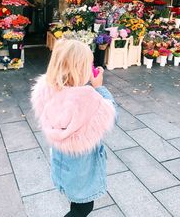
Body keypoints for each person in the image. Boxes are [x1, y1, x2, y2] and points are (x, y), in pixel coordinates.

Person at [31, 39, 116, 217]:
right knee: (83, 208)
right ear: (81, 68)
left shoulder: (47, 90)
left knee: (75, 201)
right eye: (88, 64)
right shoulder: (88, 98)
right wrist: (99, 87)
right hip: (83, 170)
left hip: (62, 163)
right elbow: (111, 113)